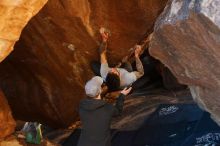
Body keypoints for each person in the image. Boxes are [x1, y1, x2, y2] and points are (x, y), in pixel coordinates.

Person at [77, 76, 132, 146]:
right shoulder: (107, 108)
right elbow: (118, 112)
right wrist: (122, 95)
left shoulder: (81, 107)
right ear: (100, 91)